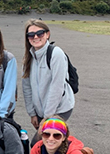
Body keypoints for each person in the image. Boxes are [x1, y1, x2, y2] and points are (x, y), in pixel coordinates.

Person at [21, 19, 75, 147]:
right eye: (31, 35)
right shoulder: (29, 58)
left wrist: (46, 119)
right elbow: (26, 88)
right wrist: (32, 113)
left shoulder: (56, 54)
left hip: (60, 108)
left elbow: (57, 88)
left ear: (47, 34)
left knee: (37, 144)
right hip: (40, 111)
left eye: (40, 33)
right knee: (50, 143)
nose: (35, 37)